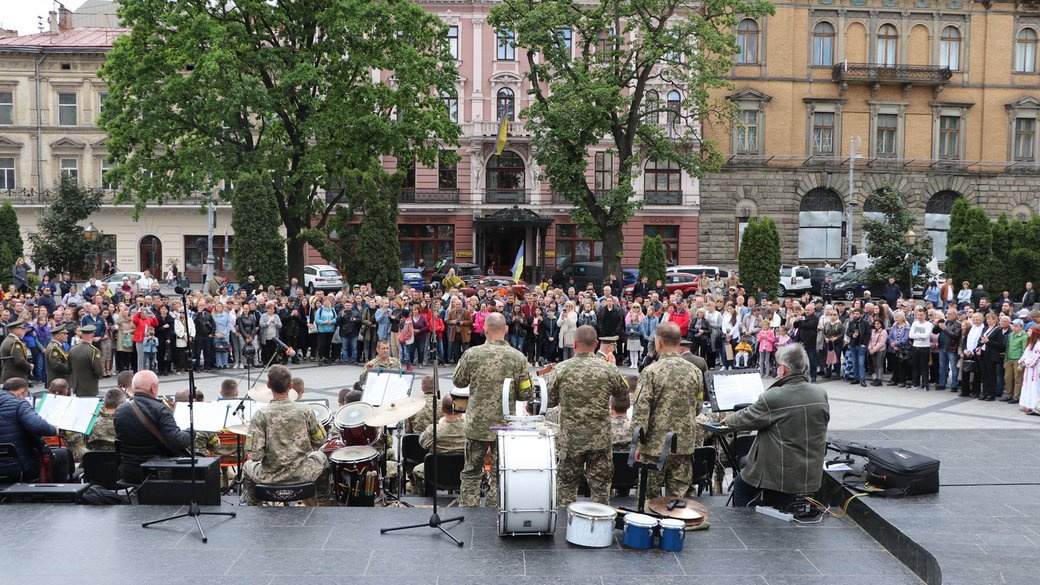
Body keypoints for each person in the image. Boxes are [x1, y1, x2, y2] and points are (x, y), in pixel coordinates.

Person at [723, 343, 830, 508]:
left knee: (741, 484)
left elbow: (747, 417)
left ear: (783, 369)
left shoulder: (774, 396)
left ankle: (743, 525)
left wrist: (727, 419)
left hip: (781, 475)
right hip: (811, 471)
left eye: (777, 365)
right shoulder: (820, 393)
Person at [452, 312, 532, 507]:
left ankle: (469, 510)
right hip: (504, 427)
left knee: (471, 471)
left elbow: (458, 381)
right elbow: (525, 393)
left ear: (485, 330)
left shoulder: (472, 354)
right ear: (506, 330)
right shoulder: (518, 358)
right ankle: (493, 512)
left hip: (477, 424)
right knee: (499, 472)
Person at [546, 325, 630, 507]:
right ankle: (599, 526)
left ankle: (565, 525)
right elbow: (623, 392)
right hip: (599, 439)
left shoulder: (561, 369)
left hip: (571, 440)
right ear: (596, 344)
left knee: (567, 486)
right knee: (600, 487)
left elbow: (549, 401)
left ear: (574, 344)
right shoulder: (607, 369)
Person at [242, 365, 331, 505]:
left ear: (268, 385)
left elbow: (254, 455)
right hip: (303, 474)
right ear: (290, 386)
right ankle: (323, 502)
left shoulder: (260, 415)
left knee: (247, 466)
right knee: (322, 457)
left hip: (271, 477)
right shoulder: (305, 410)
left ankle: (254, 508)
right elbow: (321, 440)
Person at [632, 321, 703, 498]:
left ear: (658, 342)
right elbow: (698, 407)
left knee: (650, 499)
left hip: (654, 447)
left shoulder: (651, 372)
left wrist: (637, 444)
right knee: (678, 500)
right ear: (679, 342)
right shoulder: (695, 371)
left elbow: (641, 411)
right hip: (683, 445)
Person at [113, 370, 192, 484]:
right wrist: (191, 432)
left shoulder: (120, 410)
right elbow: (178, 441)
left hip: (128, 472)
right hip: (156, 472)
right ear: (153, 388)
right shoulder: (160, 409)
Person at [0, 377, 58, 482]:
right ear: (21, 393)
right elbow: (38, 426)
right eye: (26, 395)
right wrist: (54, 429)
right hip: (16, 469)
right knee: (61, 455)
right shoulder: (18, 403)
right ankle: (53, 495)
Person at [411, 394, 467, 491]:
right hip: (464, 474)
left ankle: (425, 499)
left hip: (436, 475)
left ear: (442, 409)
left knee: (416, 470)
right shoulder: (470, 429)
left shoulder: (432, 430)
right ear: (461, 410)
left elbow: (422, 444)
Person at [68, 325, 103, 397]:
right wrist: (100, 375)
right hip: (90, 386)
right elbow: (98, 369)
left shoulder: (73, 349)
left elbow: (69, 367)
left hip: (77, 385)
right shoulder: (93, 351)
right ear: (93, 335)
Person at [1, 317, 33, 384]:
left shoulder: (8, 339)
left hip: (10, 376)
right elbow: (19, 361)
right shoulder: (15, 342)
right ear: (16, 330)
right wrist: (29, 366)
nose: (24, 331)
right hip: (15, 377)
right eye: (22, 329)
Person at [1002, 318, 1027, 403]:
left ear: (1021, 327)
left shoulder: (1024, 336)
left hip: (1018, 359)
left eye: (1016, 326)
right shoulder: (1011, 335)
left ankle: (1016, 396)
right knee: (1007, 378)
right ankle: (1009, 394)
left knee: (1018, 379)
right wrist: (1005, 360)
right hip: (1009, 358)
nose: (1014, 327)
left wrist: (1022, 364)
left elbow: (1025, 351)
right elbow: (1007, 348)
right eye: (1013, 326)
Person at [908, 306, 933, 390]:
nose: (919, 316)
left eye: (921, 315)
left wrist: (917, 335)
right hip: (915, 347)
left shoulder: (929, 324)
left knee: (924, 366)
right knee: (915, 366)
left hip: (925, 347)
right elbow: (910, 335)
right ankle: (914, 383)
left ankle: (925, 384)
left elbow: (926, 336)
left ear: (925, 315)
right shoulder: (915, 323)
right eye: (918, 315)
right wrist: (920, 337)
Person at [1017, 325, 1040, 413]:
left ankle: (1034, 405)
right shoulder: (1031, 344)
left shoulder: (1038, 345)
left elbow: (1035, 359)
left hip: (1036, 369)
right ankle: (1027, 404)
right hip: (1029, 369)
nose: (1027, 333)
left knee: (1035, 387)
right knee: (1028, 386)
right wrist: (1022, 362)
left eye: (1030, 331)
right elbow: (1025, 355)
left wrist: (1025, 362)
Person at [45, 323, 72, 388]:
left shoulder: (58, 346)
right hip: (57, 383)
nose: (67, 336)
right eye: (64, 334)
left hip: (60, 381)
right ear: (57, 336)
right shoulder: (54, 348)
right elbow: (57, 365)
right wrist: (71, 367)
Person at [867, 319, 888, 386]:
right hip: (873, 350)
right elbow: (870, 340)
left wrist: (874, 349)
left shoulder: (884, 332)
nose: (876, 325)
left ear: (881, 324)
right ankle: (876, 379)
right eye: (875, 324)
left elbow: (882, 343)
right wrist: (870, 348)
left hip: (880, 350)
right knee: (875, 365)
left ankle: (879, 379)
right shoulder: (873, 331)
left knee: (879, 365)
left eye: (878, 324)